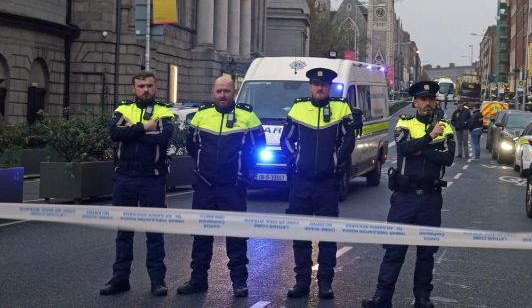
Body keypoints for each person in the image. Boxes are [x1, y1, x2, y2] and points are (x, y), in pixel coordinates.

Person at [362, 81, 455, 308]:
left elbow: (448, 158)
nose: (427, 103)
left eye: (430, 99)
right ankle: (382, 297)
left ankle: (422, 298)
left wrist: (420, 148)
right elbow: (404, 149)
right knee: (394, 249)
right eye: (422, 99)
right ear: (414, 102)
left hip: (431, 199)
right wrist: (430, 139)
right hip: (405, 197)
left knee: (426, 253)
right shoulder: (405, 123)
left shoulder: (445, 126)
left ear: (435, 102)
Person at [176, 76, 265, 298]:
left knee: (235, 236)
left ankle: (239, 282)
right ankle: (198, 279)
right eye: (219, 91)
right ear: (212, 92)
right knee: (201, 236)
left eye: (227, 91)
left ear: (234, 92)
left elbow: (259, 147)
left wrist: (243, 174)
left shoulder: (248, 116)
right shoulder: (201, 115)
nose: (222, 95)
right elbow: (192, 145)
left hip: (233, 187)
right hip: (205, 186)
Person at [281, 67, 355, 300]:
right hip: (301, 182)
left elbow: (348, 140)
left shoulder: (341, 108)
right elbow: (286, 140)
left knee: (327, 235)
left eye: (323, 85)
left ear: (329, 87)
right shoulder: (298, 107)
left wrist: (334, 161)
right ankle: (301, 282)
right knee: (300, 234)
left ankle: (325, 283)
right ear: (310, 86)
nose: (320, 88)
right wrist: (296, 159)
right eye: (315, 84)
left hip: (327, 183)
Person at [101, 71, 175, 297]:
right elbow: (114, 133)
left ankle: (157, 281)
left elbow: (162, 138)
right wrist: (144, 127)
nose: (145, 90)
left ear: (156, 88)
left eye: (149, 86)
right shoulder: (123, 109)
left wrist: (131, 131)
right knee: (124, 232)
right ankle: (120, 279)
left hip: (152, 178)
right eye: (141, 86)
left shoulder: (165, 111)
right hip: (124, 177)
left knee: (154, 232)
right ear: (133, 89)